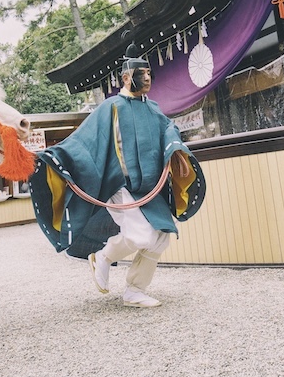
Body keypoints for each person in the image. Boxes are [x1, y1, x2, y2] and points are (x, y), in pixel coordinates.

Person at [30, 44, 206, 307]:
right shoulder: (111, 106)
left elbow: (169, 130)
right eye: (141, 73)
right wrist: (50, 157)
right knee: (140, 236)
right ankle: (102, 257)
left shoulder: (153, 108)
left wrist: (176, 151)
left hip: (151, 187)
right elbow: (84, 141)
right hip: (120, 185)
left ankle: (134, 291)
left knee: (160, 238)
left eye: (149, 73)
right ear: (126, 78)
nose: (147, 78)